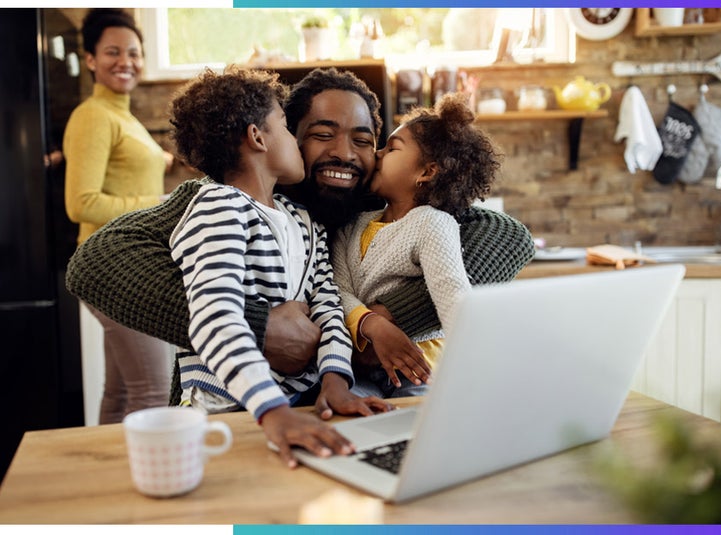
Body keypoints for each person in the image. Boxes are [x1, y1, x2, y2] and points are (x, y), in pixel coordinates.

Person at [65, 67, 535, 403]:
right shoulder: (224, 196)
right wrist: (258, 326)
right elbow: (96, 262)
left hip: (352, 402)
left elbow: (507, 235)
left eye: (365, 140)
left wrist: (383, 319)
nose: (344, 153)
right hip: (236, 408)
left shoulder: (380, 205)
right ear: (282, 136)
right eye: (322, 134)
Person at [166, 66, 391, 466]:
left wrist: (336, 381)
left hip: (294, 409)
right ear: (257, 137)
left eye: (362, 139)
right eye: (289, 128)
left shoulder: (303, 221)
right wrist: (273, 411)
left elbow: (328, 307)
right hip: (228, 410)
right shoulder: (217, 207)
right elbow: (214, 317)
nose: (341, 150)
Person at [332, 93, 500, 397]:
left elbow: (453, 297)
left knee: (420, 431)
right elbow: (339, 292)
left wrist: (480, 370)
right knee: (353, 419)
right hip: (360, 368)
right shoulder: (351, 225)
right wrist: (371, 323)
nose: (378, 154)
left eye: (392, 148)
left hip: (420, 368)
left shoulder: (431, 223)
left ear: (427, 171)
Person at [63, 8, 174, 424]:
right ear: (90, 58)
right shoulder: (93, 116)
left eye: (133, 52)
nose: (125, 61)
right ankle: (146, 483)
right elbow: (82, 203)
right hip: (112, 269)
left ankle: (100, 481)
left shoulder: (120, 116)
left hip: (120, 266)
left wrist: (159, 159)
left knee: (122, 390)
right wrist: (162, 204)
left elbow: (122, 170)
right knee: (154, 389)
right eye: (112, 52)